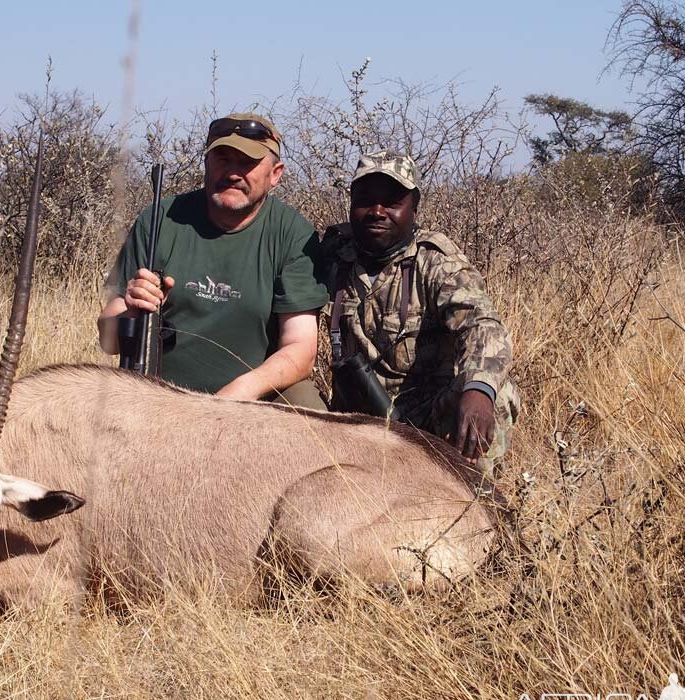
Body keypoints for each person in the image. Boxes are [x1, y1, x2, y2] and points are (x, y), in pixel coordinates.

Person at [97, 113, 327, 407]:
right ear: (206, 163)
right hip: (160, 396)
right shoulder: (159, 220)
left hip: (249, 401)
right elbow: (109, 340)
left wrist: (238, 394)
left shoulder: (293, 233)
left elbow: (300, 349)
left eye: (246, 163)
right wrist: (131, 308)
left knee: (307, 403)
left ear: (275, 174)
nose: (232, 173)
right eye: (223, 158)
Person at [321, 150, 520, 469]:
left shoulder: (435, 261)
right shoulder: (332, 254)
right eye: (365, 200)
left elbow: (484, 326)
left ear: (414, 207)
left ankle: (475, 501)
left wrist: (479, 389)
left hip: (423, 418)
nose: (376, 211)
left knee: (499, 393)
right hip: (353, 415)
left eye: (391, 202)